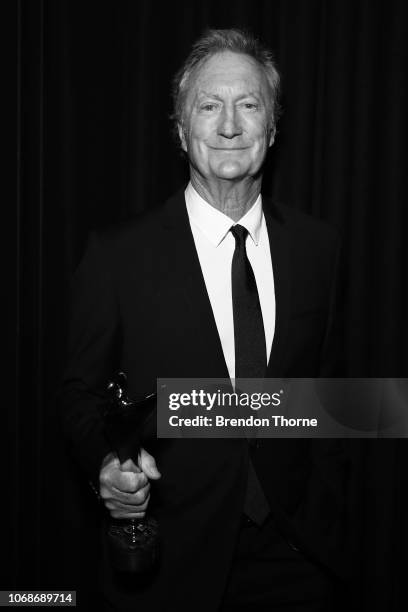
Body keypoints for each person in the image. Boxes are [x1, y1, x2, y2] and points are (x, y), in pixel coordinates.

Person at [59, 28, 349, 611]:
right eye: (209, 106)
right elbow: (79, 395)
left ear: (272, 125)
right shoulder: (117, 256)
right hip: (168, 565)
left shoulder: (320, 249)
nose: (229, 125)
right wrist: (107, 470)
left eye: (249, 104)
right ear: (180, 126)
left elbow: (329, 392)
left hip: (296, 560)